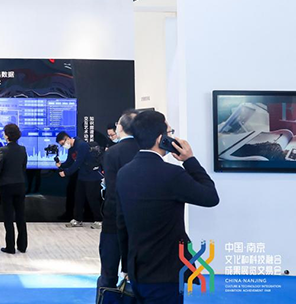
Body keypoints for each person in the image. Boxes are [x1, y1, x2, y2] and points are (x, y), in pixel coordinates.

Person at [116, 110, 220, 303]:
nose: (172, 137)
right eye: (170, 132)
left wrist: (127, 267)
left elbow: (121, 224)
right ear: (160, 139)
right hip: (166, 273)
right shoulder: (172, 174)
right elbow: (210, 197)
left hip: (137, 271)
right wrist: (189, 160)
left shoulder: (124, 173)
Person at [98, 110, 139, 292]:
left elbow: (112, 187)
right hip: (139, 216)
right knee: (136, 269)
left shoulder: (112, 152)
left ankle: (107, 296)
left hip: (114, 214)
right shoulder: (144, 150)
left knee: (109, 268)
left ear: (120, 127)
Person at [56, 132, 103, 228]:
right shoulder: (72, 148)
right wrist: (61, 165)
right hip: (82, 176)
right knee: (78, 198)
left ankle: (99, 220)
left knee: (92, 199)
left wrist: (66, 172)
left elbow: (78, 163)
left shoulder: (82, 145)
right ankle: (78, 219)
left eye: (63, 143)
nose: (63, 146)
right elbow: (70, 162)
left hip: (92, 176)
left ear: (67, 138)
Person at [0, 123, 28, 255]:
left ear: (7, 135)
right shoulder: (22, 149)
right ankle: (22, 245)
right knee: (21, 215)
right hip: (20, 184)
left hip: (6, 186)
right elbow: (23, 167)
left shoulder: (3, 150)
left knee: (8, 217)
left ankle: (10, 246)